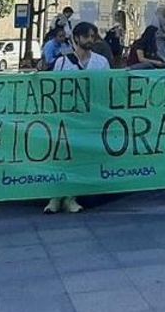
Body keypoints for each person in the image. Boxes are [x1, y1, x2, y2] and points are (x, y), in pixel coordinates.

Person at [45, 22, 110, 215]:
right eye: (87, 36)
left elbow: (106, 89)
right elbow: (53, 89)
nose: (90, 40)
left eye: (93, 36)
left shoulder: (101, 62)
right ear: (77, 38)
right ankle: (56, 197)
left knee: (79, 158)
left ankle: (70, 197)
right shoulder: (62, 63)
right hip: (67, 117)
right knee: (61, 157)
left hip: (90, 117)